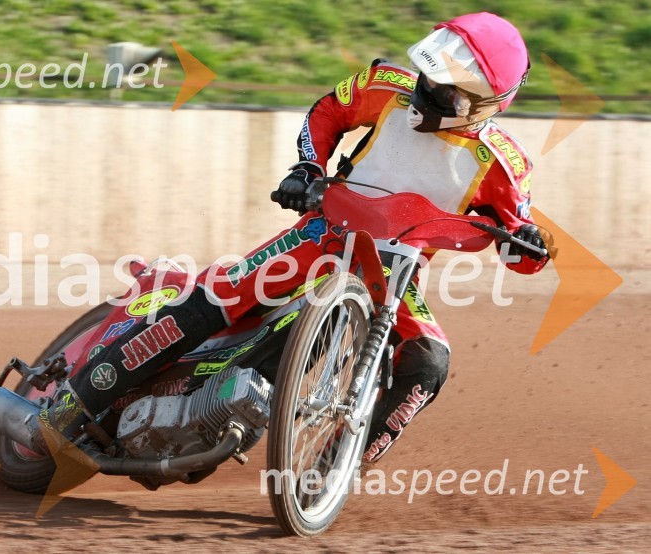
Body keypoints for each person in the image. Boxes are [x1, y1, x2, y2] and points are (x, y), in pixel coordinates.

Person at [33, 12, 551, 465]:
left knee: (430, 361)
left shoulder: (503, 164)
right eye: (430, 74)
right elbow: (328, 112)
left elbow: (517, 243)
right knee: (219, 297)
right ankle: (68, 404)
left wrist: (528, 244)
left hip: (396, 270)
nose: (426, 89)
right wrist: (308, 166)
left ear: (482, 104)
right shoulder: (385, 84)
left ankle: (334, 466)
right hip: (323, 233)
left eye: (446, 89)